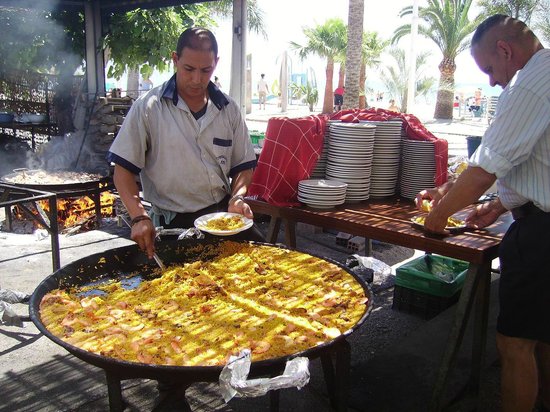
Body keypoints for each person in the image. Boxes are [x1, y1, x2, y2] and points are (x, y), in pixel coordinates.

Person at [416, 15, 549, 412]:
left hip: (542, 235)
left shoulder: (529, 84)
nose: (491, 81)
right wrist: (499, 204)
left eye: (489, 69)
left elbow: (486, 167)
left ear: (506, 50)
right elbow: (536, 162)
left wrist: (438, 214)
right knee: (543, 336)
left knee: (515, 343)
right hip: (538, 220)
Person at [108, 27, 262, 259]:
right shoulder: (148, 107)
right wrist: (139, 217)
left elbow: (243, 166)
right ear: (175, 59)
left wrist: (237, 197)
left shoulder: (228, 109)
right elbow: (122, 172)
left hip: (221, 217)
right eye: (188, 69)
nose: (197, 79)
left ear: (216, 63)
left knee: (264, 266)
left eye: (206, 70)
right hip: (172, 223)